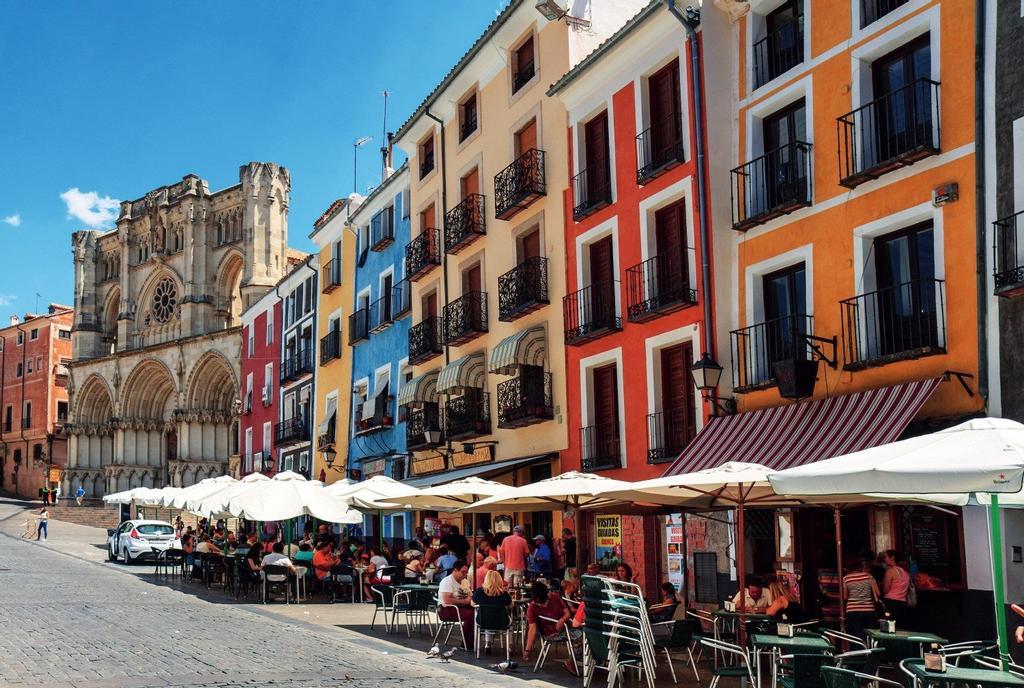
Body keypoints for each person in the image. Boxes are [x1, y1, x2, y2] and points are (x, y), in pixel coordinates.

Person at [523, 581, 576, 672]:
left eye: (543, 602)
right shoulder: (532, 608)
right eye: (538, 603)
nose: (542, 605)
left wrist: (562, 620)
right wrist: (527, 650)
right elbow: (532, 629)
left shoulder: (554, 596)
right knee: (582, 638)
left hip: (563, 628)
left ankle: (574, 661)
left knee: (585, 637)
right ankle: (571, 662)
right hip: (549, 633)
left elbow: (567, 613)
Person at [473, 569, 513, 655]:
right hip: (502, 622)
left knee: (486, 616)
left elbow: (473, 604)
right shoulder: (504, 594)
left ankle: (488, 644)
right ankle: (509, 645)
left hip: (483, 621)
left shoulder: (479, 592)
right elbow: (511, 605)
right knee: (509, 622)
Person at [438, 559, 474, 650]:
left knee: (479, 613)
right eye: (463, 572)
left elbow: (470, 595)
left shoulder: (464, 581)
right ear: (455, 570)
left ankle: (474, 641)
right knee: (472, 615)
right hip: (446, 609)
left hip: (460, 607)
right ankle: (466, 643)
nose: (465, 574)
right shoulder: (447, 581)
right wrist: (464, 601)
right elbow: (447, 600)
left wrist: (469, 599)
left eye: (466, 572)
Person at [843, 556, 881, 640]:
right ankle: (869, 652)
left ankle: (859, 652)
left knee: (855, 637)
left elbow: (845, 597)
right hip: (868, 610)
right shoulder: (869, 576)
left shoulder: (846, 578)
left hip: (852, 611)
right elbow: (878, 593)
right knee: (870, 636)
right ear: (859, 566)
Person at [881, 549, 911, 623]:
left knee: (889, 625)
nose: (884, 559)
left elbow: (886, 590)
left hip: (890, 603)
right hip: (902, 603)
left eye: (886, 557)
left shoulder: (890, 571)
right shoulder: (905, 572)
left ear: (892, 557)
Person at [817, 550, 842, 624]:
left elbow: (821, 589)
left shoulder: (821, 573)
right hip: (840, 608)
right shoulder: (841, 572)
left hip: (826, 608)